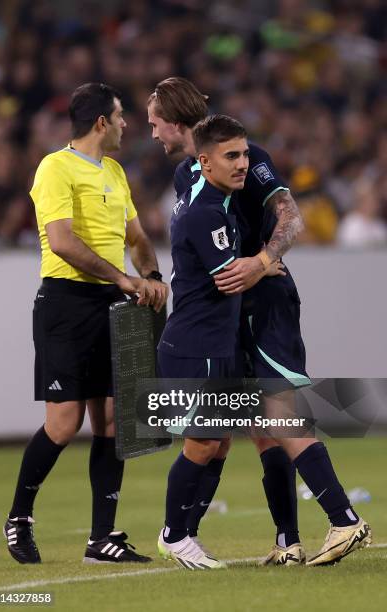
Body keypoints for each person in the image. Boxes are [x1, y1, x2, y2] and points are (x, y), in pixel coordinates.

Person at [148, 77, 372, 567]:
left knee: (277, 412)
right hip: (228, 311)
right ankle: (288, 541)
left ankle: (343, 518)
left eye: (155, 123)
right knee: (260, 427)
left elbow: (291, 218)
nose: (152, 134)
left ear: (175, 120)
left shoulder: (249, 155)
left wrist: (265, 260)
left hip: (263, 300)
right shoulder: (189, 178)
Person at [4, 82, 168, 565]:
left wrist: (151, 275)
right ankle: (18, 517)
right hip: (66, 303)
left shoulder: (115, 172)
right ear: (102, 122)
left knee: (114, 420)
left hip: (110, 304)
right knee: (63, 422)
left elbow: (136, 237)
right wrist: (123, 278)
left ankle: (102, 538)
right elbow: (62, 242)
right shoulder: (54, 167)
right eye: (120, 116)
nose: (125, 124)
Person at [157, 114, 282, 570]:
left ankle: (188, 532)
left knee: (220, 441)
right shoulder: (207, 211)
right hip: (195, 344)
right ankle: (174, 534)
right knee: (203, 442)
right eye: (232, 156)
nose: (243, 163)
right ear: (205, 162)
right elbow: (230, 279)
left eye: (246, 153)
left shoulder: (216, 200)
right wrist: (265, 263)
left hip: (216, 342)